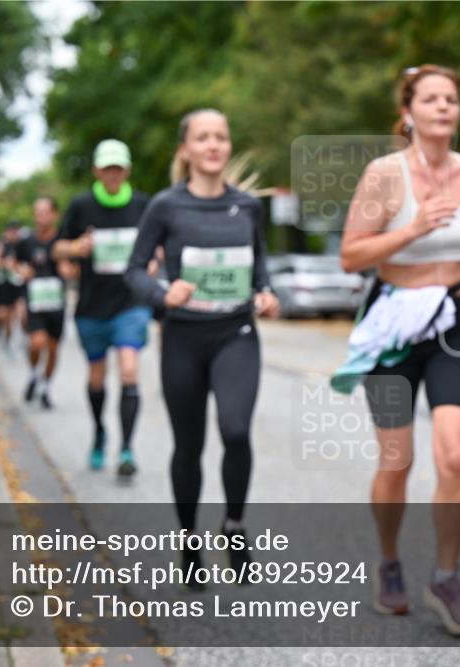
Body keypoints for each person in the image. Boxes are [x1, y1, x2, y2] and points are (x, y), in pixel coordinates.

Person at [333, 65, 460, 635]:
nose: (443, 107)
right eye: (431, 98)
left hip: (455, 321)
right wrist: (411, 230)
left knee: (453, 457)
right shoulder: (384, 175)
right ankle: (388, 562)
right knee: (397, 460)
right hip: (395, 327)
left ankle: (447, 577)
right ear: (408, 112)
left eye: (451, 98)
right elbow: (352, 257)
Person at [125, 109, 279, 587]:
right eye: (203, 138)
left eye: (221, 137)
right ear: (186, 149)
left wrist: (268, 295)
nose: (214, 145)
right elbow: (133, 272)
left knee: (235, 431)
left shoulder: (249, 207)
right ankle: (189, 538)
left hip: (236, 335)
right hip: (183, 339)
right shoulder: (166, 207)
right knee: (188, 446)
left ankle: (233, 525)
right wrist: (160, 293)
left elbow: (260, 271)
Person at [52, 139, 151, 478]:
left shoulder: (143, 205)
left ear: (127, 170)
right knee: (97, 375)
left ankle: (126, 448)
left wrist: (153, 264)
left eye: (118, 168)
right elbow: (58, 249)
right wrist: (77, 247)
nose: (113, 174)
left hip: (130, 303)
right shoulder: (82, 206)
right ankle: (99, 433)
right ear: (97, 170)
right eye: (107, 168)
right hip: (92, 306)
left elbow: (159, 247)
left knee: (128, 369)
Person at [15, 197, 66, 410]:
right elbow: (14, 261)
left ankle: (44, 388)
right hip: (34, 301)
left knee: (53, 350)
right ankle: (35, 374)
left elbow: (75, 267)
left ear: (54, 214)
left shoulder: (62, 241)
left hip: (56, 302)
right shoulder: (26, 242)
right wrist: (21, 270)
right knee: (36, 343)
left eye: (46, 212)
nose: (42, 216)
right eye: (38, 212)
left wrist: (69, 270)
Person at [0, 222, 23, 350]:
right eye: (11, 231)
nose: (13, 234)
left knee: (16, 313)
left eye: (15, 231)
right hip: (2, 285)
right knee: (3, 314)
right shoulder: (0, 245)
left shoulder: (22, 245)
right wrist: (5, 263)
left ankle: (10, 337)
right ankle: (1, 327)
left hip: (16, 284)